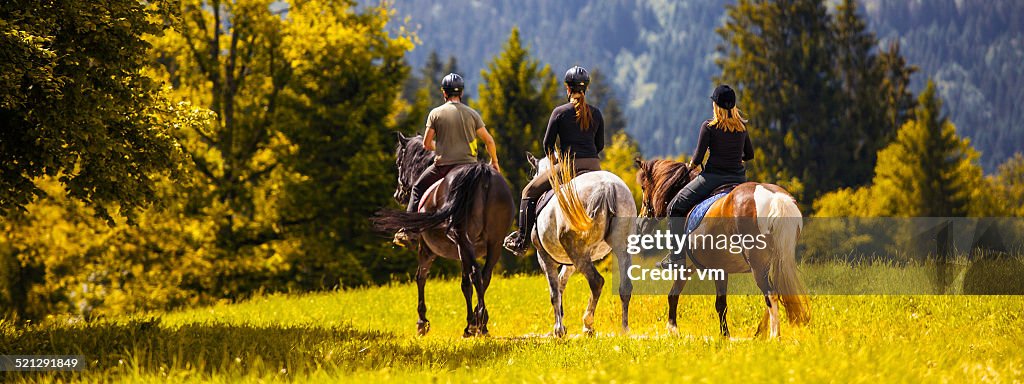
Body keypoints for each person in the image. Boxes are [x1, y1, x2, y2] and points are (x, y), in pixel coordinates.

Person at [503, 66, 605, 256]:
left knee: (528, 191)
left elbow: (547, 145)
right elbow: (600, 145)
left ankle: (522, 242)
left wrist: (555, 161)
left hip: (569, 166)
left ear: (567, 88)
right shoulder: (596, 113)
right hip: (594, 166)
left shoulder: (559, 112)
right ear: (586, 89)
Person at [394, 73, 500, 245]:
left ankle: (408, 231)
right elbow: (489, 140)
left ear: (444, 93)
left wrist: (443, 147)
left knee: (417, 188)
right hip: (469, 166)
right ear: (461, 93)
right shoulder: (473, 114)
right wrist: (494, 161)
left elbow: (427, 144)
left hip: (444, 166)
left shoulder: (435, 114)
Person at [656, 84, 754, 268]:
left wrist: (690, 165)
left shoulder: (709, 127)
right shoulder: (742, 127)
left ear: (716, 105)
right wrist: (734, 157)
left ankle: (676, 258)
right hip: (739, 180)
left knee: (674, 208)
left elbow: (698, 158)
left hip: (712, 178)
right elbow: (749, 155)